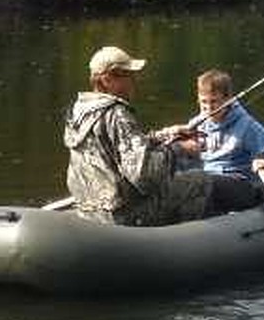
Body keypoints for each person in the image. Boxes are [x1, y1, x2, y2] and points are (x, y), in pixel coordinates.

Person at [63, 45, 214, 226]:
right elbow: (145, 177)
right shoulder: (117, 114)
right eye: (127, 75)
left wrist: (167, 134)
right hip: (123, 215)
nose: (134, 80)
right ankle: (181, 242)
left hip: (88, 209)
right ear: (107, 79)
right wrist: (179, 149)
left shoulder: (79, 110)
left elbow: (118, 146)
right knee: (199, 180)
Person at [193, 69, 264, 212]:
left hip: (240, 183)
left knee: (206, 182)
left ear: (228, 100)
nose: (209, 108)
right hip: (207, 180)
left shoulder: (245, 124)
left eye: (214, 102)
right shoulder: (197, 124)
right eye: (204, 102)